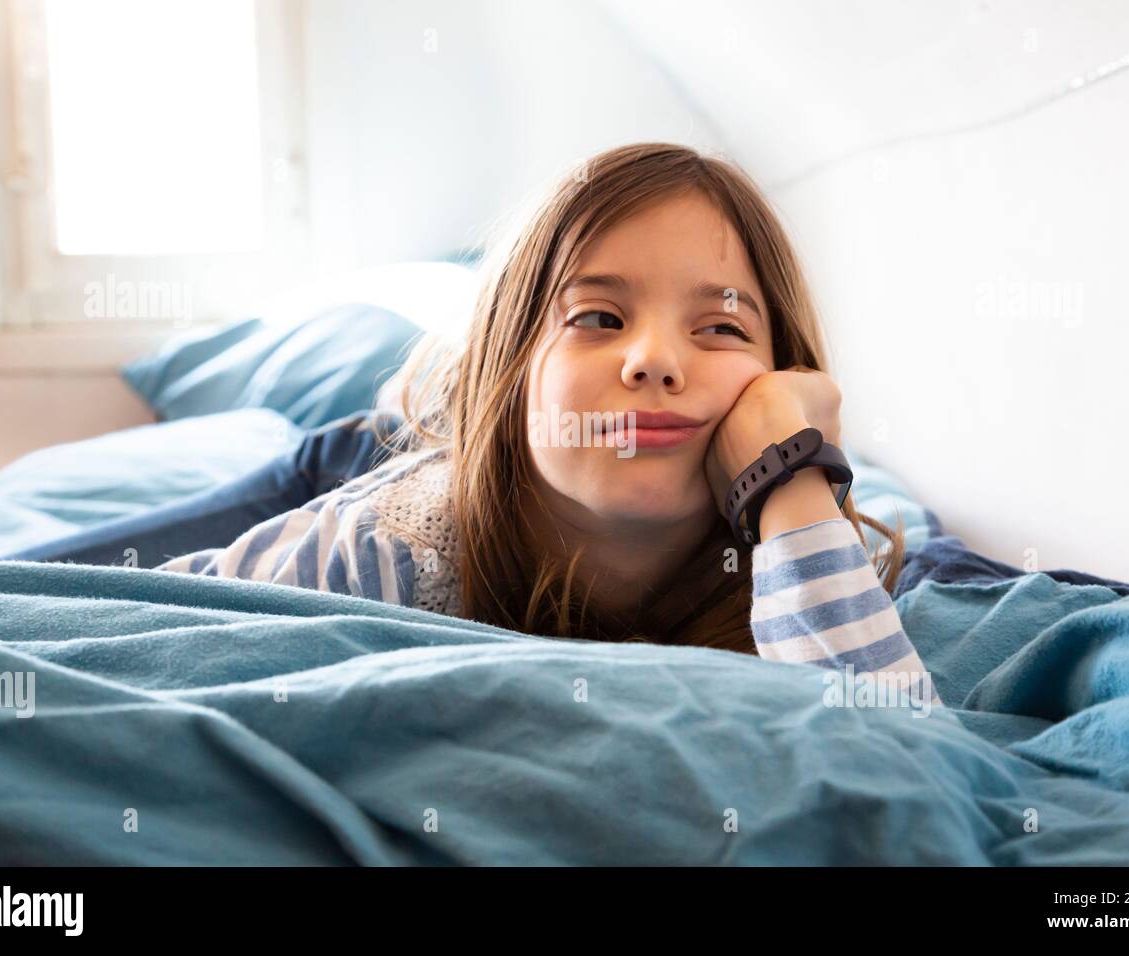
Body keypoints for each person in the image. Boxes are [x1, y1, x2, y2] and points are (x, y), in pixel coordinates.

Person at [159, 142, 940, 709]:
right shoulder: (377, 554)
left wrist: (789, 476)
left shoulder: (809, 545)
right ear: (511, 360)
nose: (656, 360)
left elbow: (905, 778)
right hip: (368, 453)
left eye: (722, 328)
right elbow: (137, 636)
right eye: (599, 316)